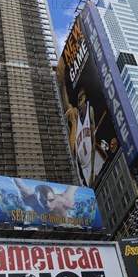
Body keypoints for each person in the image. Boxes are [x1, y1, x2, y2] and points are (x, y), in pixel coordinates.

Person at [57, 59, 97, 187]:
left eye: (81, 99)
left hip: (92, 165)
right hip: (81, 169)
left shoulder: (89, 111)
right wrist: (63, 86)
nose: (79, 103)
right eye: (78, 100)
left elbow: (94, 143)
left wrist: (92, 172)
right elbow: (67, 104)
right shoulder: (75, 113)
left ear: (85, 99)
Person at [13, 178, 77, 218]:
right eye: (43, 200)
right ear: (37, 199)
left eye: (51, 200)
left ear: (55, 197)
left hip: (64, 223)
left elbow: (75, 185)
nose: (47, 204)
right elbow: (17, 181)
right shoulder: (29, 198)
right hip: (38, 222)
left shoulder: (66, 201)